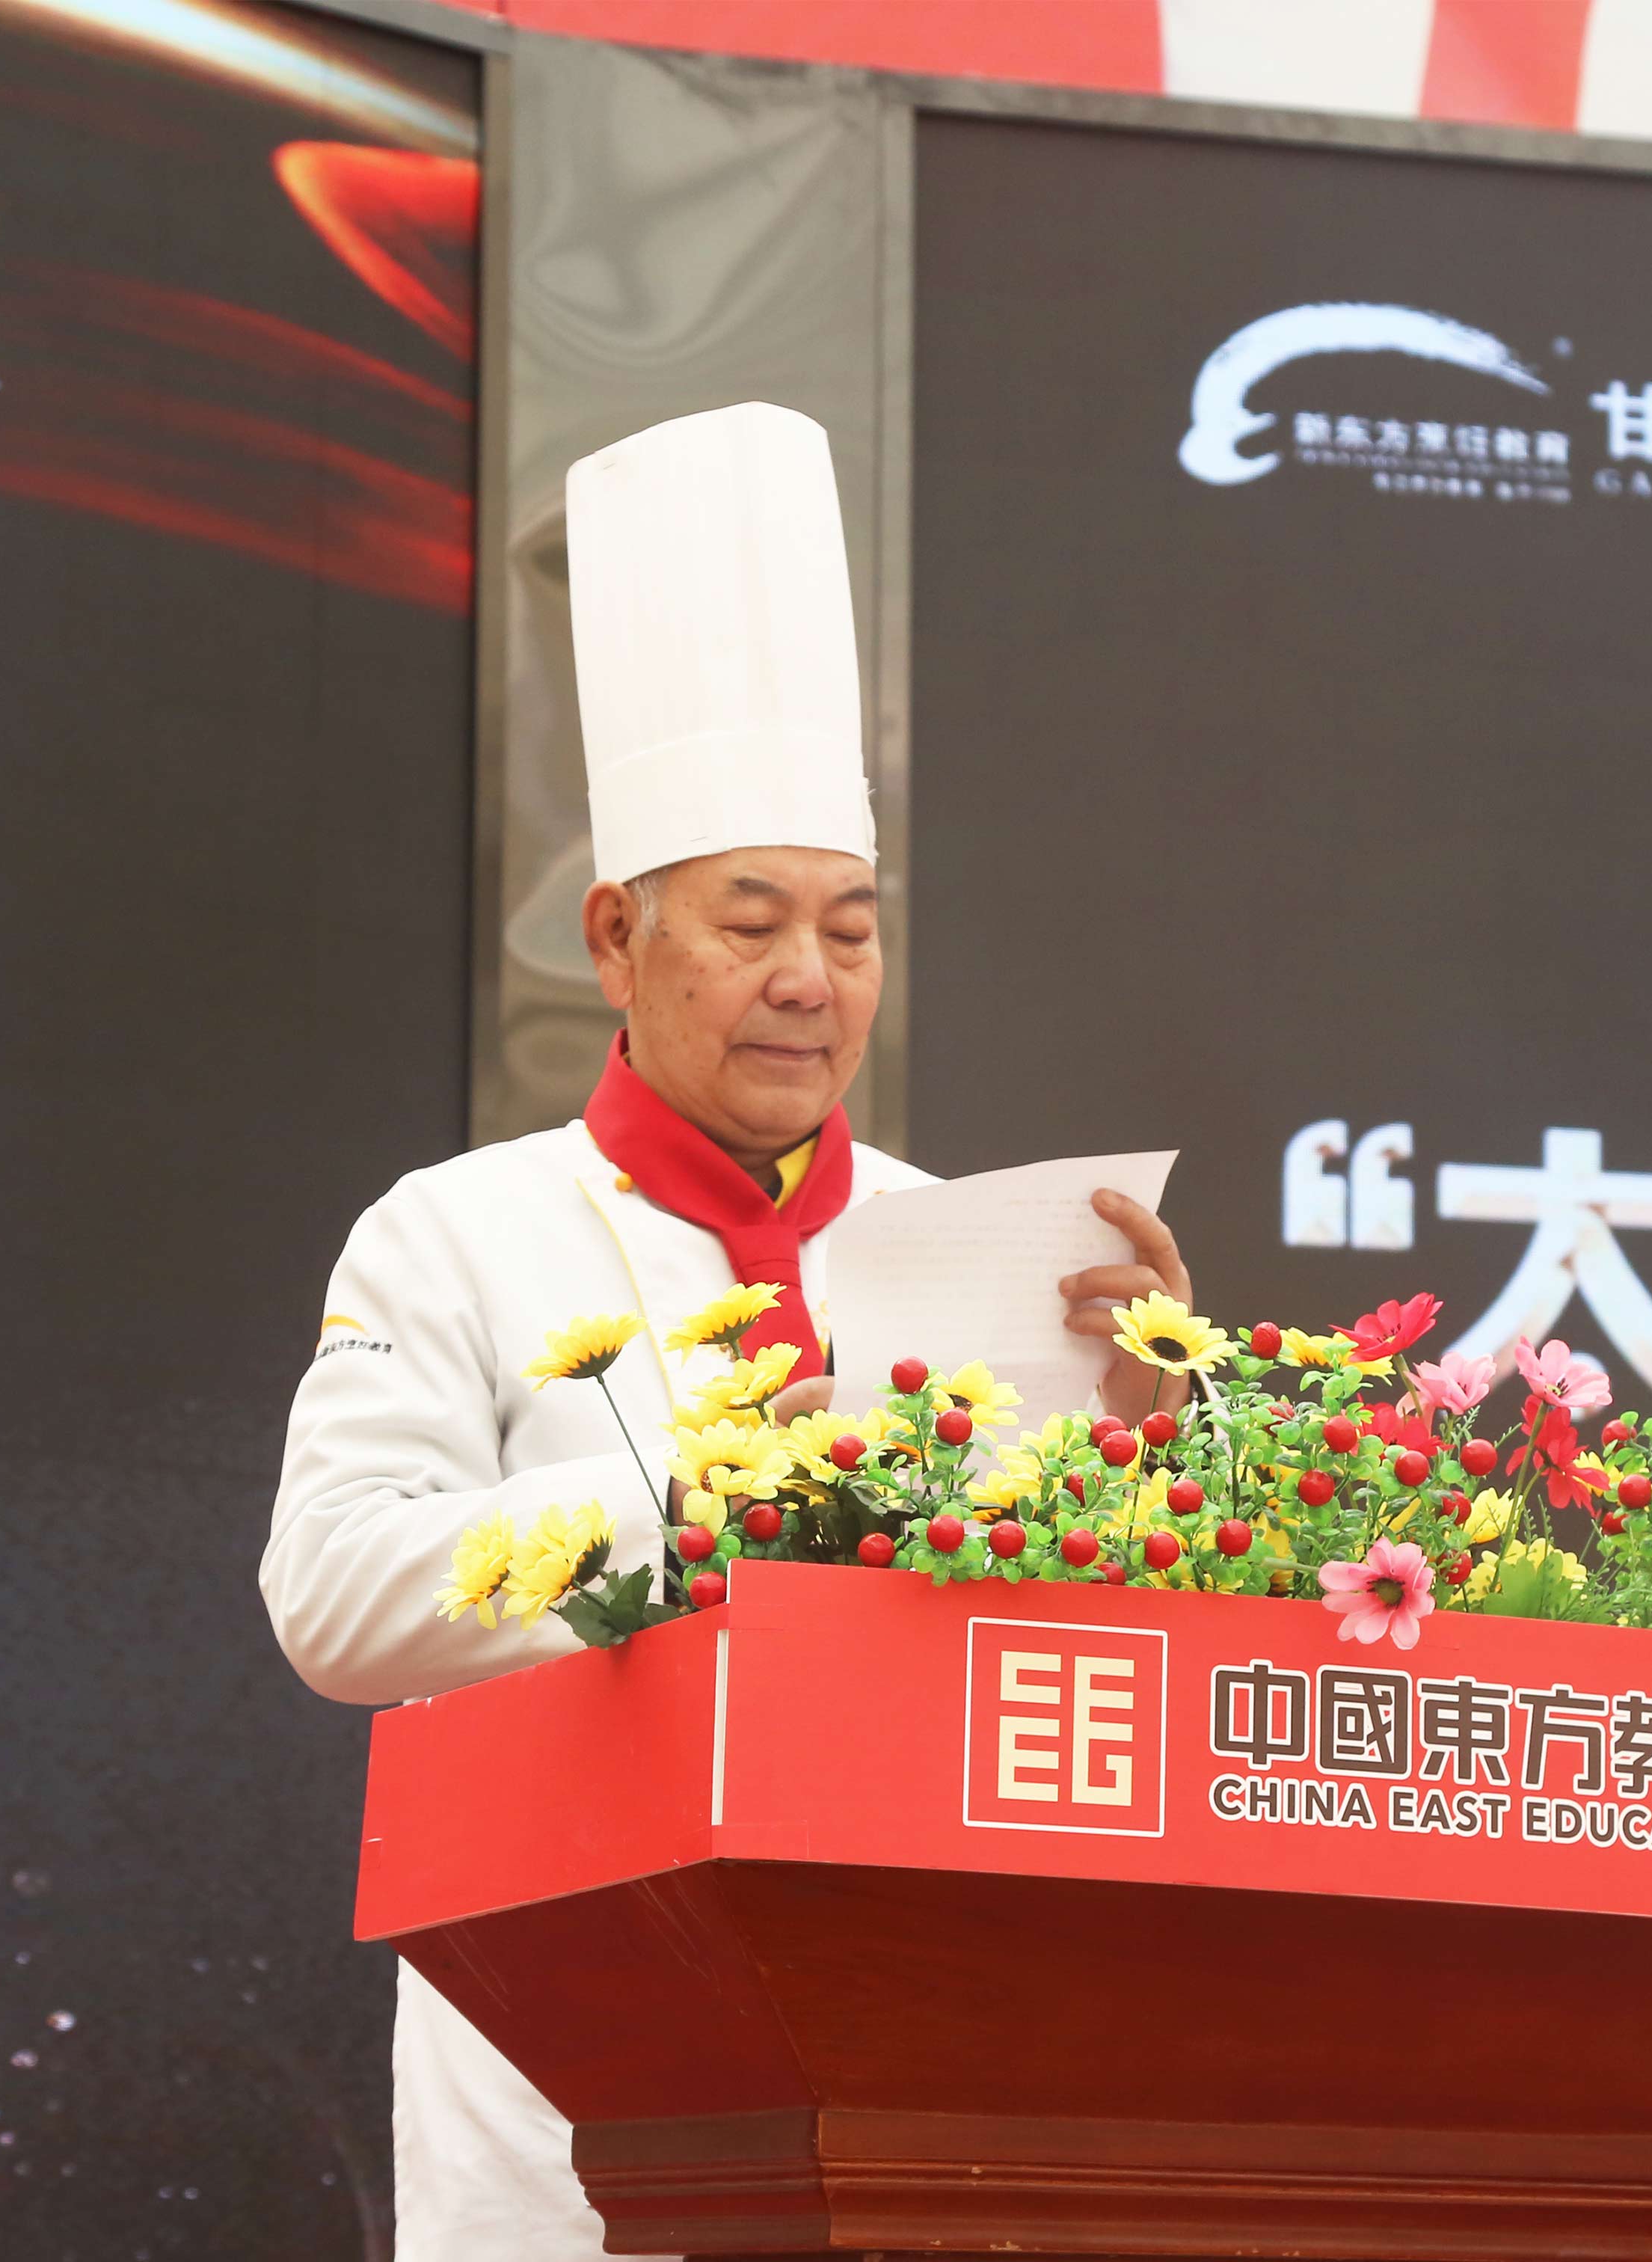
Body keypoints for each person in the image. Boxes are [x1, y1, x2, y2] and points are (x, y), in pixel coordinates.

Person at [260, 402, 1191, 2261]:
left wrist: (1151, 1434)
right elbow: (335, 1604)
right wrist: (697, 1507)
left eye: (850, 930)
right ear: (616, 938)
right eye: (749, 922)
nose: (806, 980)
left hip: (915, 2049)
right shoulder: (458, 1228)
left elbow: (1066, 1676)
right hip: (561, 2074)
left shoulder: (976, 1241)